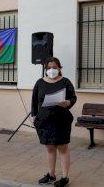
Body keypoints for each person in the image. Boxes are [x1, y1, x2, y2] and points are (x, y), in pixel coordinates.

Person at [31, 57, 77, 187]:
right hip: (44, 121)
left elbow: (73, 97)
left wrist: (68, 102)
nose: (52, 70)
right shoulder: (40, 82)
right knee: (50, 148)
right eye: (49, 68)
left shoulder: (65, 82)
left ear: (59, 68)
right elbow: (34, 101)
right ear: (46, 69)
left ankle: (65, 178)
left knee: (62, 148)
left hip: (61, 120)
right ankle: (51, 175)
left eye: (54, 67)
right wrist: (35, 116)